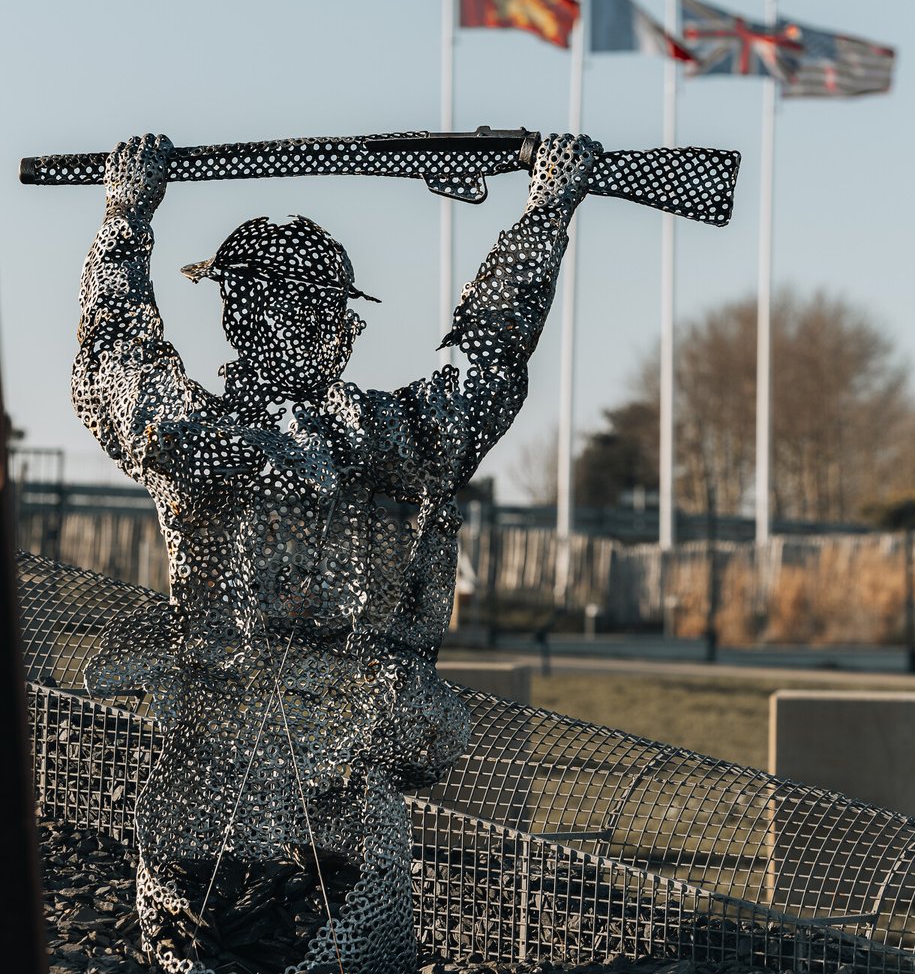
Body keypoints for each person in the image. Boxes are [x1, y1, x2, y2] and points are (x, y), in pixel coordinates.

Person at [74, 130, 597, 973]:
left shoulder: (190, 437)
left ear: (235, 317)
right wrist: (544, 211)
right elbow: (491, 348)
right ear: (335, 329)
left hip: (211, 829)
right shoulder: (403, 440)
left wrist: (125, 218)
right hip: (336, 834)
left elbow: (113, 352)